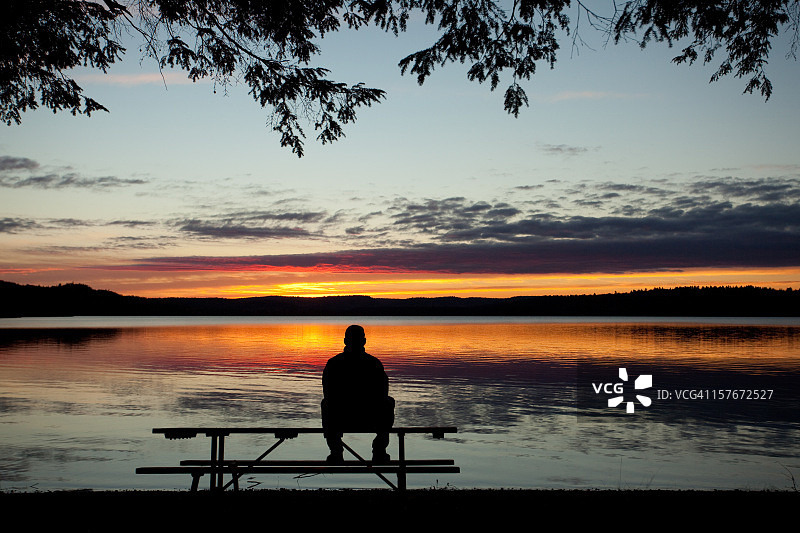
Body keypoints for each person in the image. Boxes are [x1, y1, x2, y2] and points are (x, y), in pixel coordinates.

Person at [321, 325, 395, 464]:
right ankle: (379, 449)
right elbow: (383, 393)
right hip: (370, 418)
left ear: (345, 341)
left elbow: (328, 393)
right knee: (389, 402)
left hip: (340, 419)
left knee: (326, 404)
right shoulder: (374, 363)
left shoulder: (333, 363)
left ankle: (335, 450)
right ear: (364, 341)